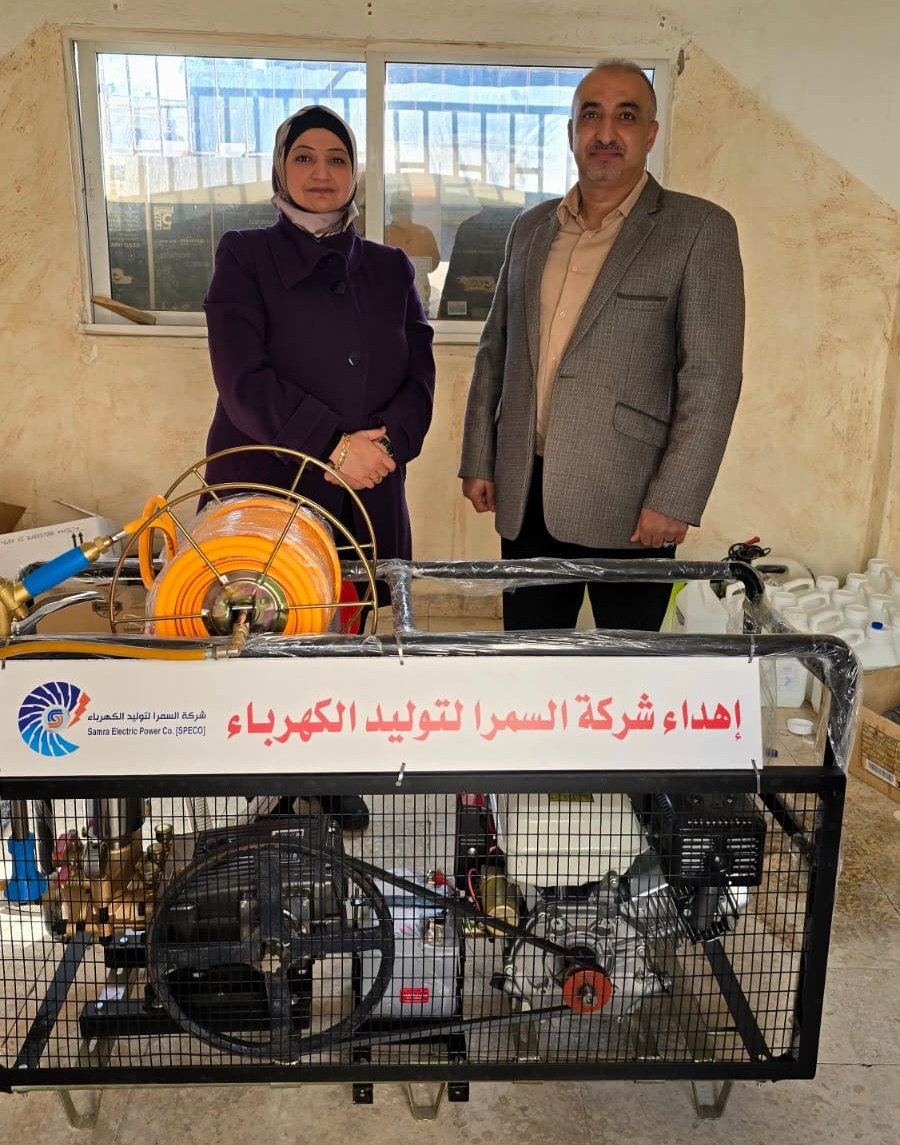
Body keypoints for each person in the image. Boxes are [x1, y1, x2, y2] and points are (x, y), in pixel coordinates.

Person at [203, 106, 436, 826]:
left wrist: (385, 448)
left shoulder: (391, 267)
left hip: (363, 492)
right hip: (269, 487)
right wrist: (334, 445)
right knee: (263, 628)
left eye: (337, 158)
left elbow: (420, 374)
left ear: (355, 174)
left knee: (347, 629)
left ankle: (332, 767)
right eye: (303, 157)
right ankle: (266, 776)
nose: (321, 172)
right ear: (281, 168)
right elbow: (242, 380)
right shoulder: (244, 255)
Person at [458, 60, 744, 632]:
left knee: (627, 667)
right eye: (591, 116)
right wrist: (479, 457)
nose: (606, 133)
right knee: (530, 658)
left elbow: (711, 378)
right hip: (526, 491)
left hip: (634, 501)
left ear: (650, 134)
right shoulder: (531, 228)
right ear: (571, 132)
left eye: (626, 116)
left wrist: (676, 497)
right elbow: (495, 351)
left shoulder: (699, 229)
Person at [384, 190, 440, 312]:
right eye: (398, 209)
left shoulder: (424, 233)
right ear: (391, 210)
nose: (402, 212)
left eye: (406, 208)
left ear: (411, 209)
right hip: (389, 299)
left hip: (420, 298)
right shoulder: (383, 233)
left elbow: (433, 264)